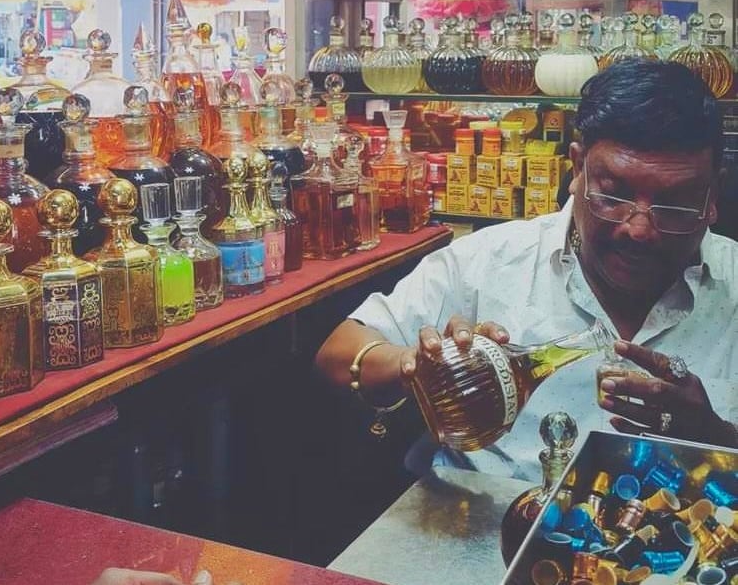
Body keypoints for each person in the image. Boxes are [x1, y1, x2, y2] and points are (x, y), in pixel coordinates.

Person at [316, 60, 738, 481]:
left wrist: (716, 440)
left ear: (712, 194)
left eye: (676, 204)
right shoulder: (490, 261)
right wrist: (413, 365)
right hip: (485, 524)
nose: (640, 229)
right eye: (613, 196)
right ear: (577, 169)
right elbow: (337, 353)